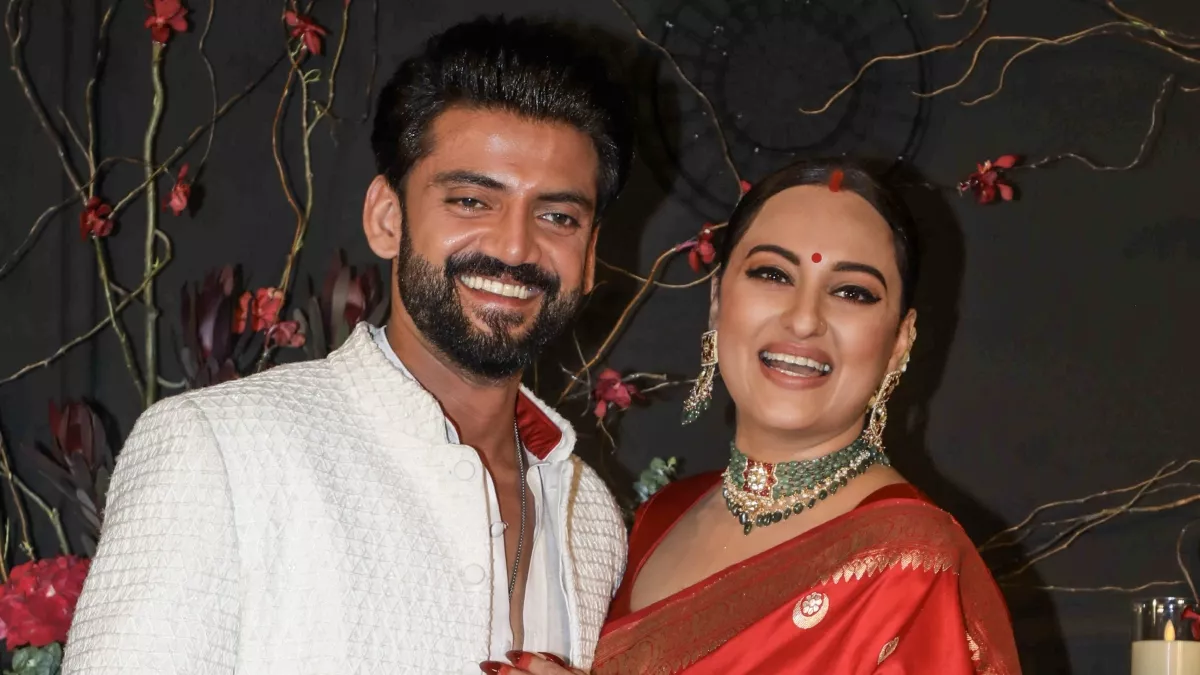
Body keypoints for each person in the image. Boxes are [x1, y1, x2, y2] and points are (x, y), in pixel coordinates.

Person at [63, 16, 633, 675]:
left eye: (557, 216)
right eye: (471, 200)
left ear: (590, 256)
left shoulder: (591, 517)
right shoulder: (222, 447)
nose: (514, 246)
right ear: (387, 218)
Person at [583, 158, 1022, 673]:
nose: (804, 319)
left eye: (852, 292)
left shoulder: (914, 565)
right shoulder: (660, 517)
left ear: (900, 342)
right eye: (773, 274)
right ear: (717, 301)